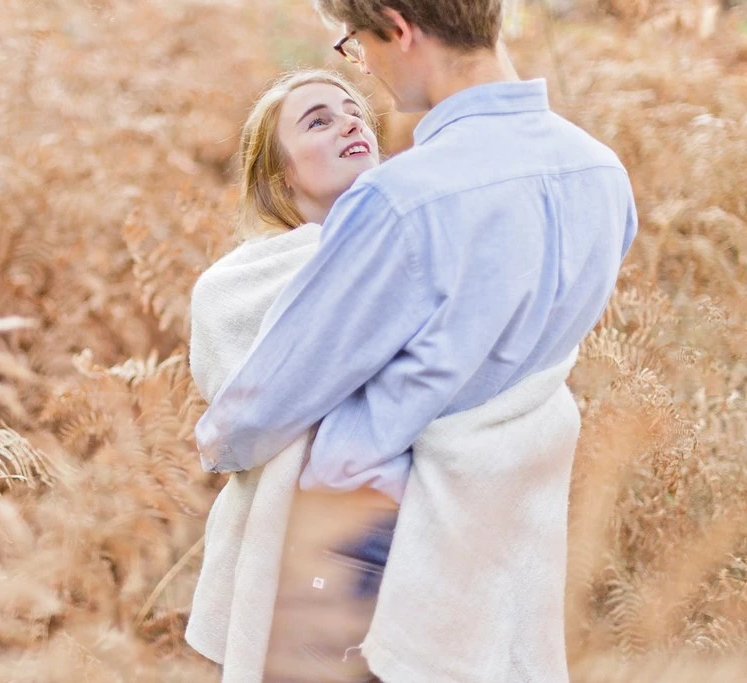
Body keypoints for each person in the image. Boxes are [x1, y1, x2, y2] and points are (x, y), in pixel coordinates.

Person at [195, 0, 638, 681]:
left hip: (361, 544)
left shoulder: (403, 199)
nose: (363, 68)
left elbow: (260, 407)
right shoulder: (603, 176)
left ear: (400, 30)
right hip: (510, 529)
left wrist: (217, 442)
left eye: (356, 44)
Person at [184, 68, 391, 683]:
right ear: (282, 175)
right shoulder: (234, 286)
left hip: (408, 538)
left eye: (355, 113)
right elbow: (236, 422)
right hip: (304, 551)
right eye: (318, 120)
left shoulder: (407, 253)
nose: (351, 122)